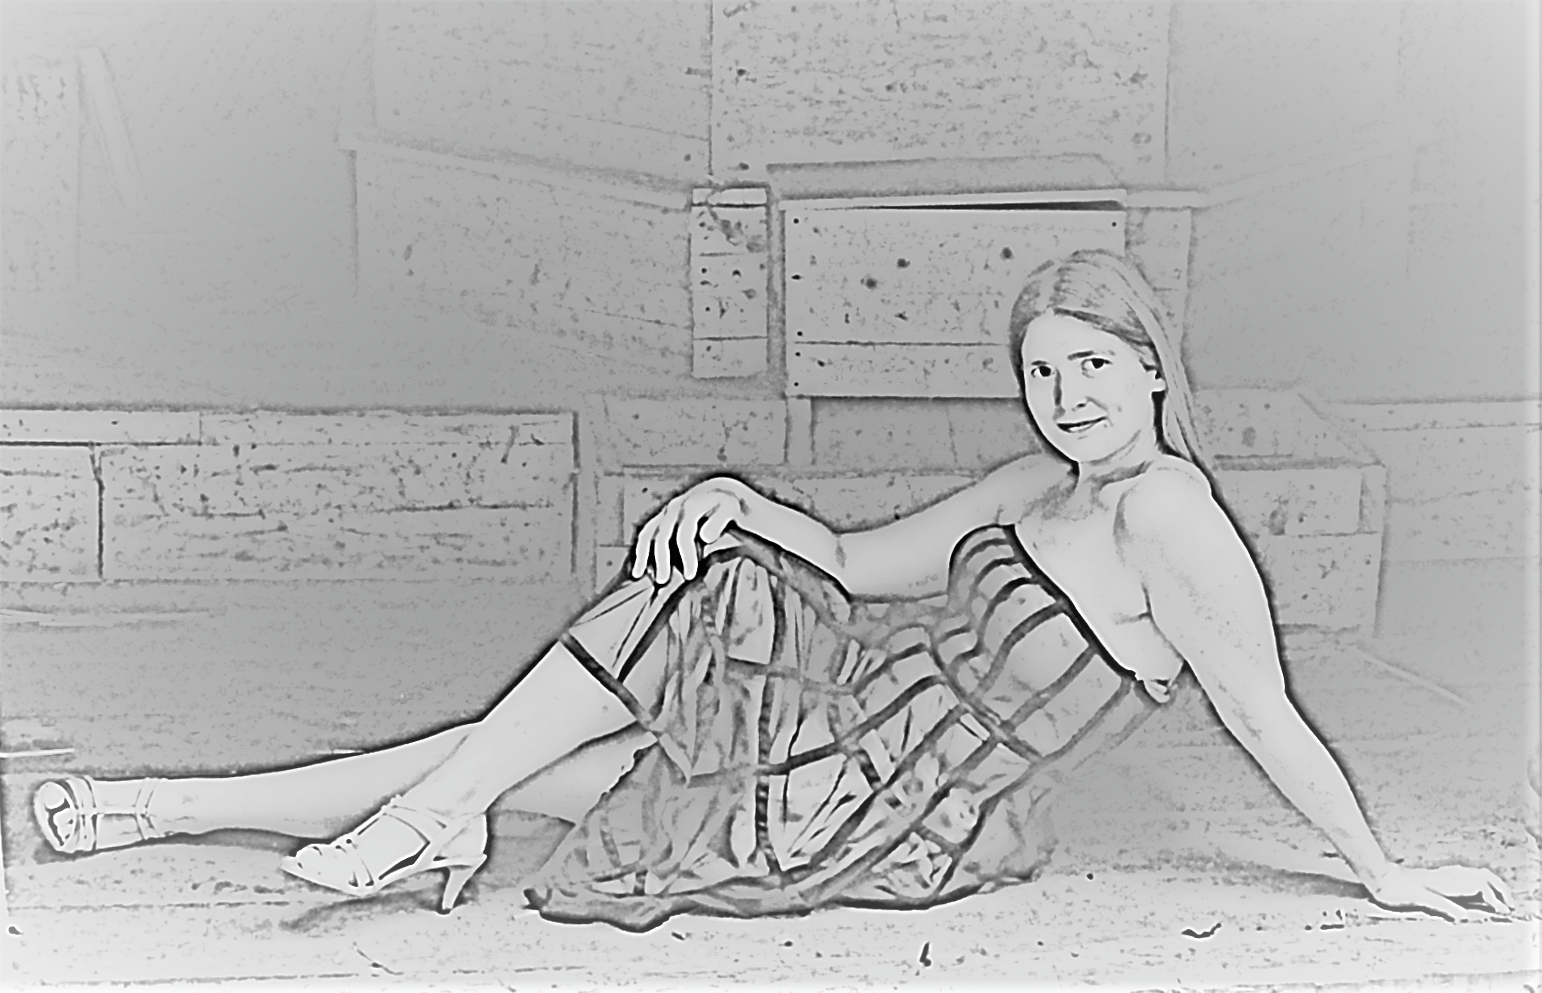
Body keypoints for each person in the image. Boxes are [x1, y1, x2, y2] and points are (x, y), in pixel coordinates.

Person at [32, 250, 1514, 930]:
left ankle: (404, 812)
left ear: (1151, 370)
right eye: (1040, 371)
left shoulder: (1169, 516)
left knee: (522, 754)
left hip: (895, 799)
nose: (1066, 396)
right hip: (833, 712)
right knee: (546, 711)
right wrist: (739, 494)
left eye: (1091, 366)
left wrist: (1380, 872)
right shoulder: (1036, 484)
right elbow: (858, 566)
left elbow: (1260, 711)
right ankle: (154, 808)